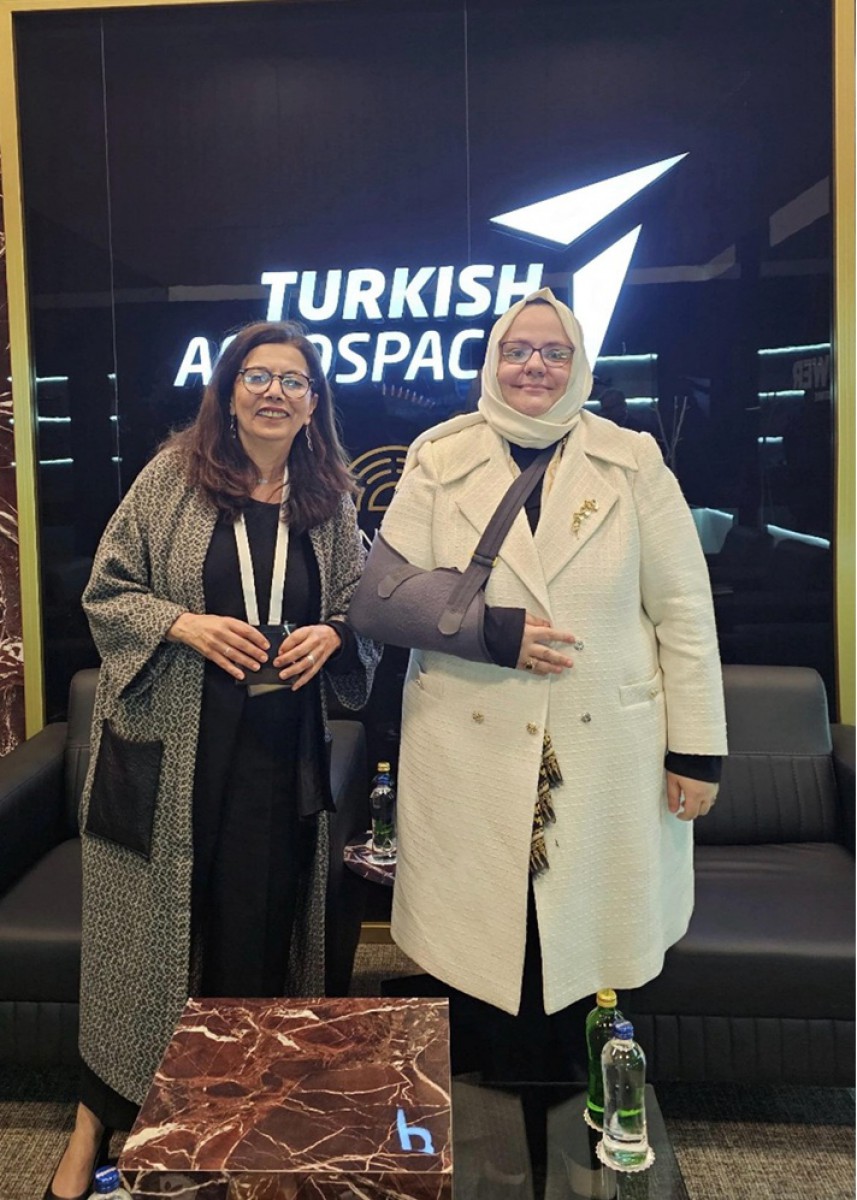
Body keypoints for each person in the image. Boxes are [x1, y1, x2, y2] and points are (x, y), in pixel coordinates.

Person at [350, 287, 726, 1080]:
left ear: (578, 364)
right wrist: (491, 632)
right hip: (468, 730)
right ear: (492, 361)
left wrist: (695, 751)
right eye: (517, 350)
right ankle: (486, 1083)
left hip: (604, 742)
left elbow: (684, 613)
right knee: (480, 918)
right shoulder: (440, 455)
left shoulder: (631, 459)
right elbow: (382, 595)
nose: (535, 366)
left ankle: (575, 1086)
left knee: (587, 918)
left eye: (555, 352)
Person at [46, 320, 380, 1200]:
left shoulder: (330, 500)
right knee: (140, 945)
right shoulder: (172, 478)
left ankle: (223, 1119)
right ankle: (94, 1124)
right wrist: (181, 623)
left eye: (294, 381)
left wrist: (332, 633)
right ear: (229, 393)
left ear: (313, 404)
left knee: (253, 933)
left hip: (275, 753)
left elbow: (361, 610)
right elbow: (106, 589)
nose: (275, 392)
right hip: (168, 748)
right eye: (257, 376)